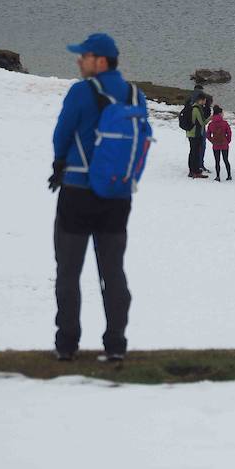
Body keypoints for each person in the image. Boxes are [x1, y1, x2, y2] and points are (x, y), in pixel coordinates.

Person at [48, 32, 148, 362]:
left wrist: (59, 163)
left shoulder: (81, 91)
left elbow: (62, 133)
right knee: (113, 271)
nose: (79, 60)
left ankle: (67, 343)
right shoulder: (136, 95)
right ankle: (116, 343)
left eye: (84, 55)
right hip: (118, 194)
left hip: (77, 193)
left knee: (68, 272)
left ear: (100, 61)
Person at [186, 84, 212, 173]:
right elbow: (203, 122)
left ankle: (192, 169)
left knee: (193, 150)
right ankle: (197, 168)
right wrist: (210, 118)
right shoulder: (198, 107)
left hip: (189, 129)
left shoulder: (189, 100)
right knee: (199, 148)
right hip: (197, 131)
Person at [205, 105, 232, 181]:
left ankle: (218, 176)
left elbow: (208, 135)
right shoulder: (225, 123)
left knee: (217, 161)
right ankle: (229, 175)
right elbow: (229, 133)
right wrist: (228, 141)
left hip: (216, 145)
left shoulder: (211, 124)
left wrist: (212, 140)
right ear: (220, 114)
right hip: (224, 144)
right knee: (226, 160)